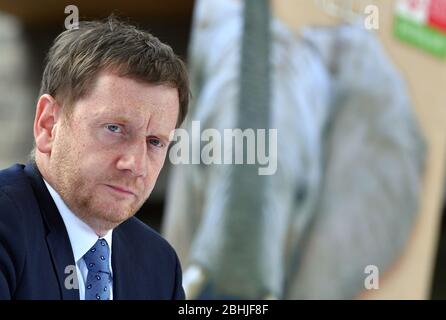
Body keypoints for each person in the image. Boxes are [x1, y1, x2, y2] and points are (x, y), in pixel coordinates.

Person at [0, 17, 189, 300]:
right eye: (114, 129)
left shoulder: (160, 265)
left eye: (154, 142)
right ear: (49, 124)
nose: (135, 165)